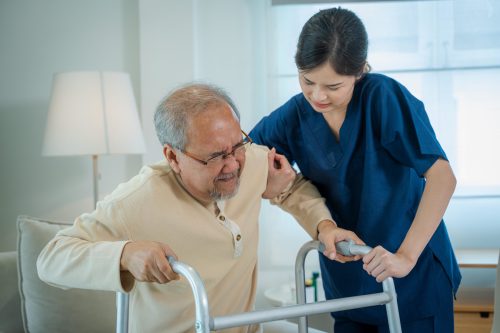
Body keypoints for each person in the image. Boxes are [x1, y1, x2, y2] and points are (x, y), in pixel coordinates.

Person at [37, 83, 350, 333]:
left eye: (237, 146)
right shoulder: (135, 201)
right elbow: (51, 258)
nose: (232, 165)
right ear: (173, 157)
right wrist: (125, 254)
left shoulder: (249, 160)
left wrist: (324, 226)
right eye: (214, 156)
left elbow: (291, 187)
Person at [250, 7, 461, 333]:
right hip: (348, 281)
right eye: (308, 80)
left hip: (413, 277)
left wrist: (405, 257)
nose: (317, 95)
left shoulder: (382, 98)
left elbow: (442, 177)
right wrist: (269, 179)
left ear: (360, 71)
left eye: (333, 86)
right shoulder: (294, 116)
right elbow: (243, 156)